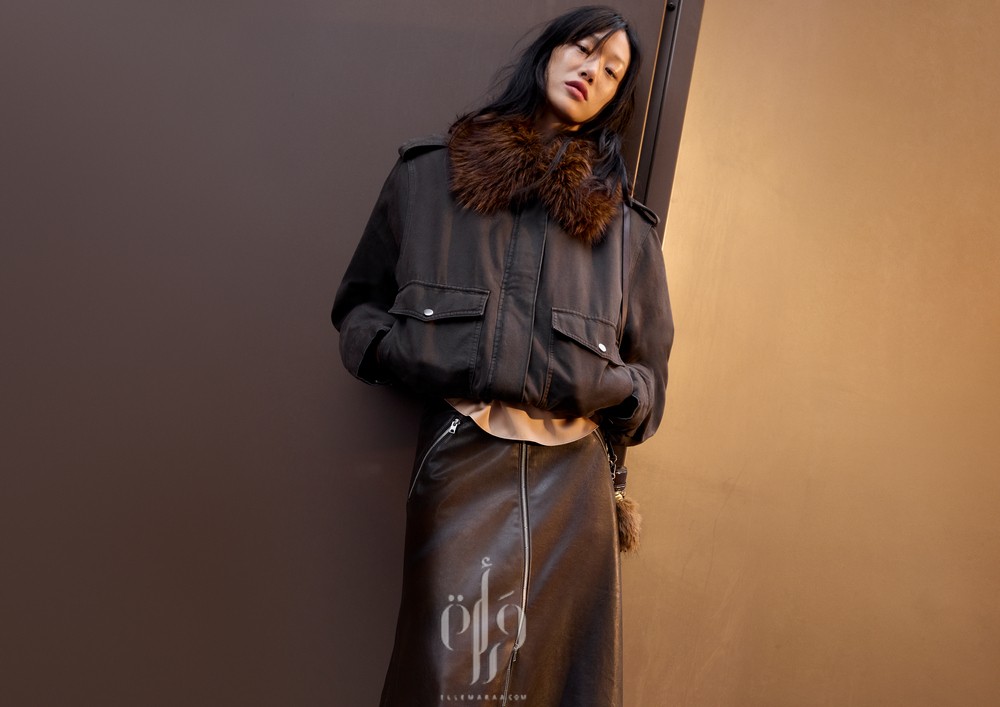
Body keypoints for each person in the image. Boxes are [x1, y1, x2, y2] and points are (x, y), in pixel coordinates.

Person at [332, 6, 673, 705]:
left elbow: (652, 378)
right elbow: (358, 305)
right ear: (548, 51)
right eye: (584, 49)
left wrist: (618, 390)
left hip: (575, 482)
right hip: (461, 454)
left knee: (563, 681)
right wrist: (403, 350)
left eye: (612, 72)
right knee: (445, 678)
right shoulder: (428, 177)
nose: (592, 72)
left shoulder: (625, 230)